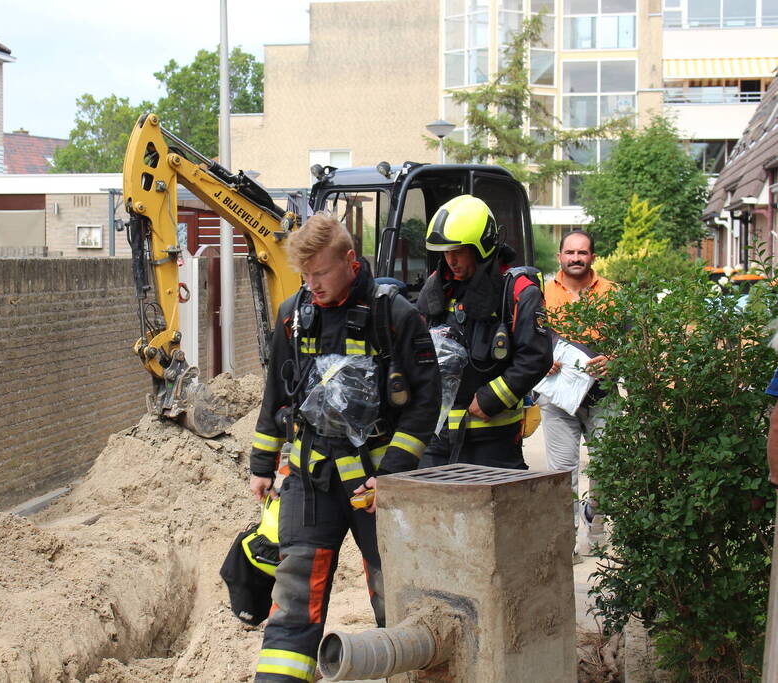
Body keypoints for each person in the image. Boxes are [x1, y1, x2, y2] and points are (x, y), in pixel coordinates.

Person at [248, 214, 439, 682]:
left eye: (321, 273)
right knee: (294, 591)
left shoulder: (394, 315)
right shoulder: (294, 314)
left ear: (350, 261)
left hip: (376, 486)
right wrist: (261, 464)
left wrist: (393, 472)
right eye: (304, 275)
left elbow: (426, 399)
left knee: (392, 590)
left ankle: (407, 671)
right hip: (311, 480)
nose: (312, 284)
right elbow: (277, 391)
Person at [416, 194, 552, 470]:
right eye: (445, 252)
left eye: (458, 251)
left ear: (482, 247)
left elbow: (535, 358)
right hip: (437, 438)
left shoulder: (518, 292)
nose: (450, 260)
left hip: (493, 441)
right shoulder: (437, 288)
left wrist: (493, 398)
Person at [540, 230, 615, 546]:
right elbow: (529, 340)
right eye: (569, 253)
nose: (575, 258)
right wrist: (543, 359)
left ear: (592, 257)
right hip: (557, 396)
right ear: (560, 256)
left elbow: (635, 338)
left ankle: (594, 520)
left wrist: (615, 359)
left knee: (609, 467)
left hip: (602, 394)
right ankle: (566, 542)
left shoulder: (612, 293)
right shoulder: (542, 294)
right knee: (562, 473)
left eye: (582, 253)